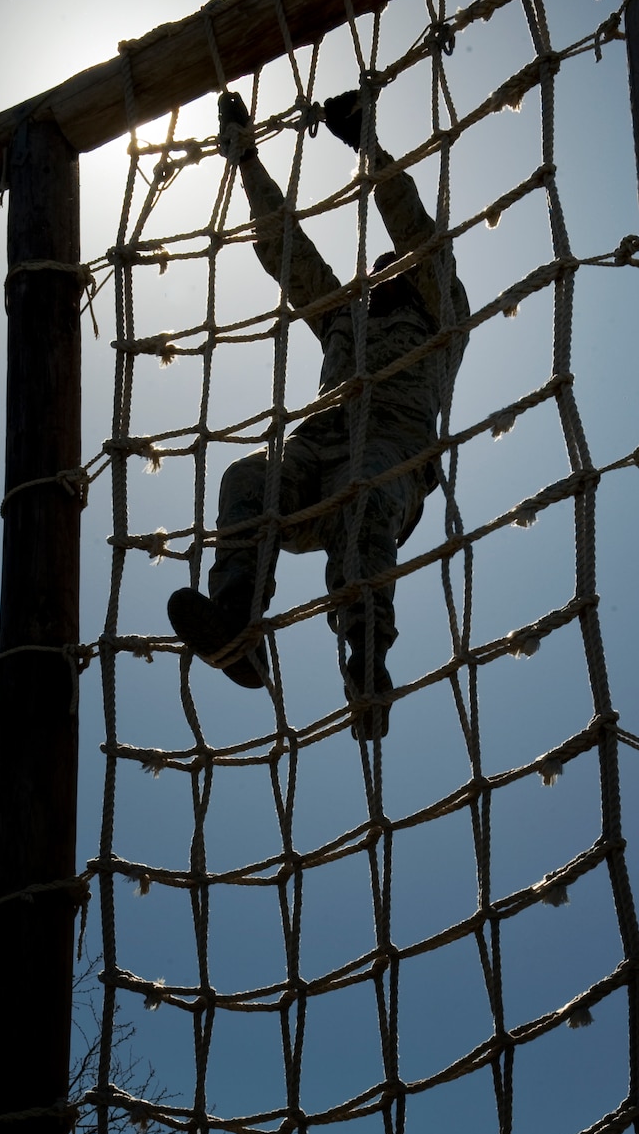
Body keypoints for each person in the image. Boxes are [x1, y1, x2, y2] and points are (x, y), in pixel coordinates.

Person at [167, 88, 469, 735]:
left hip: (392, 444)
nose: (384, 273)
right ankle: (237, 621)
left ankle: (366, 660)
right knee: (248, 480)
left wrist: (365, 145)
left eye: (395, 269)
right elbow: (286, 252)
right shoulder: (344, 321)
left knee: (364, 504)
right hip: (318, 443)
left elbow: (412, 224)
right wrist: (244, 161)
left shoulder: (442, 312)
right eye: (380, 270)